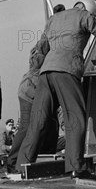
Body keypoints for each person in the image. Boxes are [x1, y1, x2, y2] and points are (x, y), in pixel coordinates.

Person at [16, 0, 96, 178]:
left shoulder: (54, 18)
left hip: (46, 73)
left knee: (38, 119)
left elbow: (40, 49)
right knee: (76, 119)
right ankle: (76, 167)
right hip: (67, 71)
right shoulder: (84, 16)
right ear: (88, 10)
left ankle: (22, 164)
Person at [6, 38, 59, 172]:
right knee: (27, 126)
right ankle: (12, 162)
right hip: (31, 89)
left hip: (38, 87)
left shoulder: (55, 43)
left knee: (51, 125)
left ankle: (45, 158)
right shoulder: (45, 44)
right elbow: (37, 62)